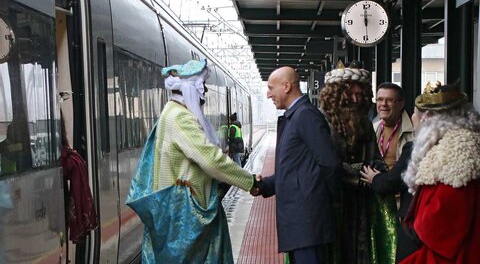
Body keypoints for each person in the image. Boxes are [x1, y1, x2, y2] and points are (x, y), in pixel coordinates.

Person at [125, 59, 261, 264]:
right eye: (202, 88)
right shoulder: (180, 118)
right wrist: (249, 181)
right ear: (190, 90)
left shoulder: (169, 113)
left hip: (175, 212)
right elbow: (211, 160)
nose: (204, 93)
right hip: (185, 216)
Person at [259, 66, 339, 264]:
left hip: (307, 221)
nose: (268, 94)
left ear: (286, 86)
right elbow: (293, 169)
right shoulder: (296, 116)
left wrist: (329, 202)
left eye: (271, 88)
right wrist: (264, 185)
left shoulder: (305, 116)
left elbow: (330, 163)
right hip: (301, 221)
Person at [319, 60, 396, 264]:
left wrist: (378, 167)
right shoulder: (322, 122)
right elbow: (326, 164)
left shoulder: (364, 123)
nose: (355, 99)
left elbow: (376, 157)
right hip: (334, 203)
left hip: (361, 204)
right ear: (336, 94)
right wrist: (362, 172)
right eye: (350, 94)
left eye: (360, 94)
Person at [400, 83, 480, 263]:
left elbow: (442, 217)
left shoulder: (458, 153)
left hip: (449, 253)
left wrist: (418, 225)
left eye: (416, 113)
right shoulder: (454, 145)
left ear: (429, 118)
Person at [360, 106, 424, 262]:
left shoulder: (418, 147)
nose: (384, 104)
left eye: (415, 112)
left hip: (415, 218)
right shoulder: (374, 126)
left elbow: (395, 179)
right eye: (380, 99)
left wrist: (376, 179)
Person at [374, 83, 414, 170]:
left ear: (401, 104)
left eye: (390, 100)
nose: (383, 104)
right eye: (380, 99)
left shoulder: (414, 131)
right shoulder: (372, 128)